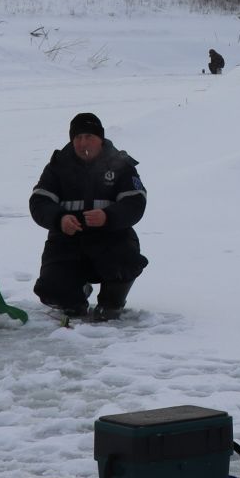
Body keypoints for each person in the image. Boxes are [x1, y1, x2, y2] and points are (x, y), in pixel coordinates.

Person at [28, 112, 148, 321]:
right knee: (50, 290)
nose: (83, 142)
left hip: (111, 240)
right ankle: (75, 294)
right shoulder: (58, 166)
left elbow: (135, 202)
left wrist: (108, 217)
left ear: (100, 139)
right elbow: (39, 202)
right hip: (67, 242)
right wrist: (60, 219)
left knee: (124, 263)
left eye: (89, 137)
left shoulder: (120, 165)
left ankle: (112, 302)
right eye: (77, 137)